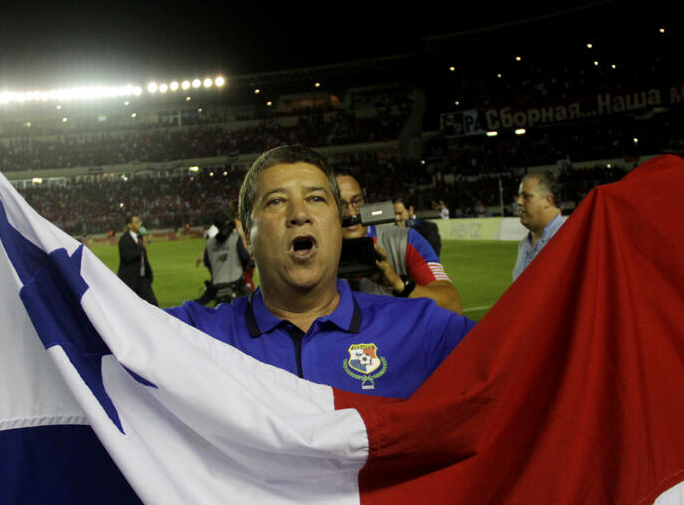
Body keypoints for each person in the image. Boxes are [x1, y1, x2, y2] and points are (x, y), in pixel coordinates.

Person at [166, 146, 474, 398]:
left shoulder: (419, 327)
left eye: (315, 198)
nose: (299, 214)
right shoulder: (195, 336)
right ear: (247, 238)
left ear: (337, 226)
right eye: (276, 201)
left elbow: (515, 357)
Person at [336, 173, 463, 314]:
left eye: (356, 201)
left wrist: (400, 284)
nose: (351, 212)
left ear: (365, 202)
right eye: (340, 204)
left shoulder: (405, 241)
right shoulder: (313, 252)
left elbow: (453, 305)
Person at [512, 171, 567, 282]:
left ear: (547, 201)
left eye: (526, 196)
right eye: (519, 196)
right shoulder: (523, 245)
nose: (519, 202)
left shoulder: (570, 238)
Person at [195, 208, 252, 306]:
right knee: (255, 305)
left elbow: (207, 263)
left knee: (198, 304)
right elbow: (245, 258)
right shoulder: (235, 238)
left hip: (216, 288)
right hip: (237, 286)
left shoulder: (209, 243)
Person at [117, 214, 158, 305]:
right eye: (136, 222)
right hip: (130, 280)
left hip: (142, 279)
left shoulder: (140, 238)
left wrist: (149, 274)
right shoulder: (124, 239)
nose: (140, 224)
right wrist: (141, 247)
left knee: (153, 305)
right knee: (131, 307)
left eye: (140, 221)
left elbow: (143, 259)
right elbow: (128, 257)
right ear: (129, 225)